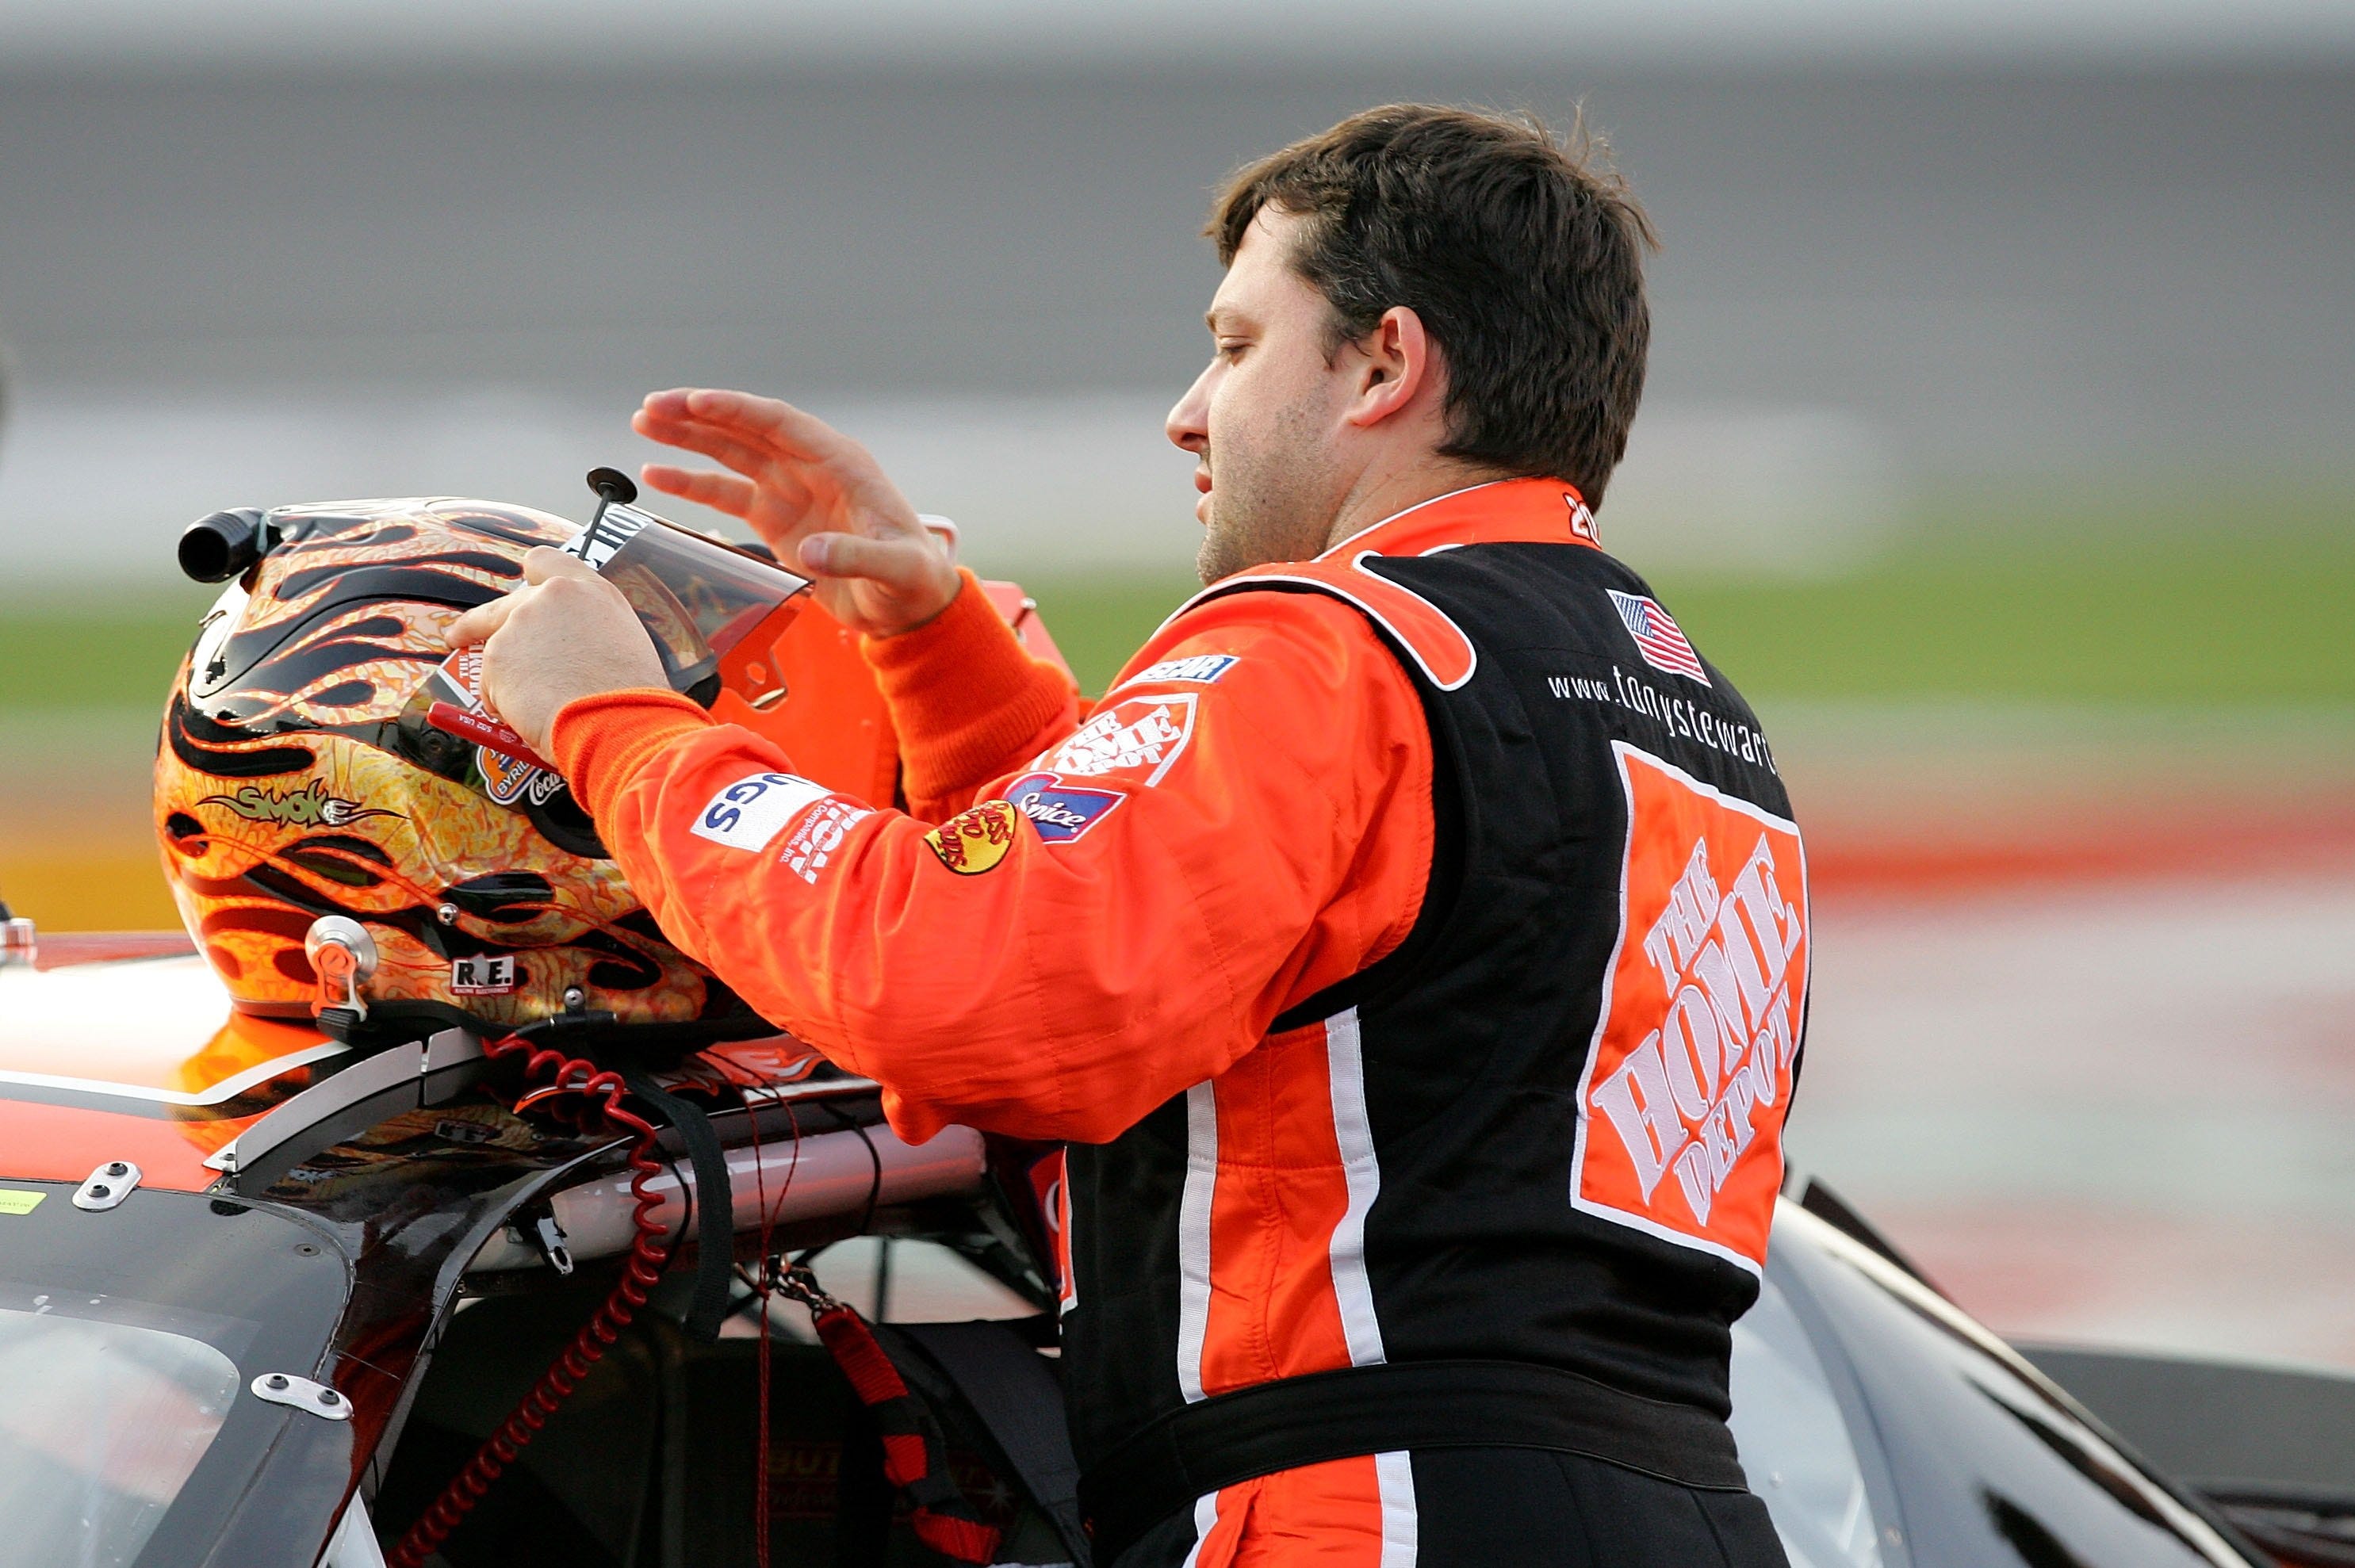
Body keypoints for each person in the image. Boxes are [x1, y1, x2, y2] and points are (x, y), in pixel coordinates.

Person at [450, 105, 1805, 1568]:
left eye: (1234, 348)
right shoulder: (1687, 709)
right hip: (1687, 1514)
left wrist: (612, 720)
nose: (1186, 411)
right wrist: (934, 638)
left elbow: (971, 989)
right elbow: (1205, 967)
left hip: (1372, 1512)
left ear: (1387, 365)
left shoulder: (1338, 644)